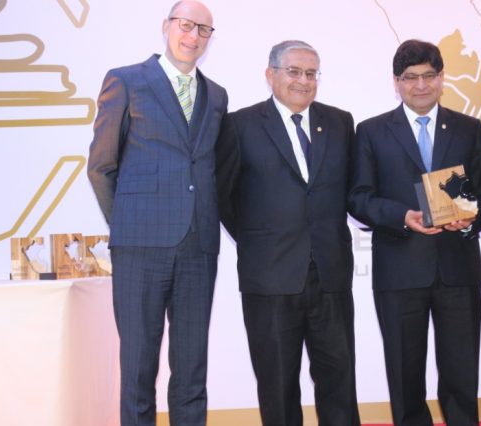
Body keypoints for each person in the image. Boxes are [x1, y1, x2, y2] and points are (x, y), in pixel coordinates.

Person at [87, 1, 227, 424]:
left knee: (192, 372)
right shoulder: (126, 80)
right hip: (139, 250)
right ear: (166, 26)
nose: (193, 36)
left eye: (204, 29)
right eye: (186, 25)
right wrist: (127, 225)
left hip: (198, 247)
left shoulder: (217, 95)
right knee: (138, 370)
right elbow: (101, 166)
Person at [215, 40, 360, 426]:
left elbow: (354, 190)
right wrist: (258, 238)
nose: (303, 81)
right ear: (270, 75)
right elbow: (222, 195)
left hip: (330, 275)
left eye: (311, 73)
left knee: (340, 382)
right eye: (293, 71)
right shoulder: (239, 125)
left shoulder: (340, 122)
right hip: (270, 277)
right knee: (277, 387)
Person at [349, 39, 481, 426]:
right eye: (411, 77)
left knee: (462, 374)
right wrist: (402, 216)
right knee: (405, 377)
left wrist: (472, 218)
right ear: (396, 82)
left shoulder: (468, 128)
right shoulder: (372, 131)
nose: (421, 85)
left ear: (442, 77)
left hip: (457, 269)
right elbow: (359, 198)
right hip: (399, 269)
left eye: (429, 75)